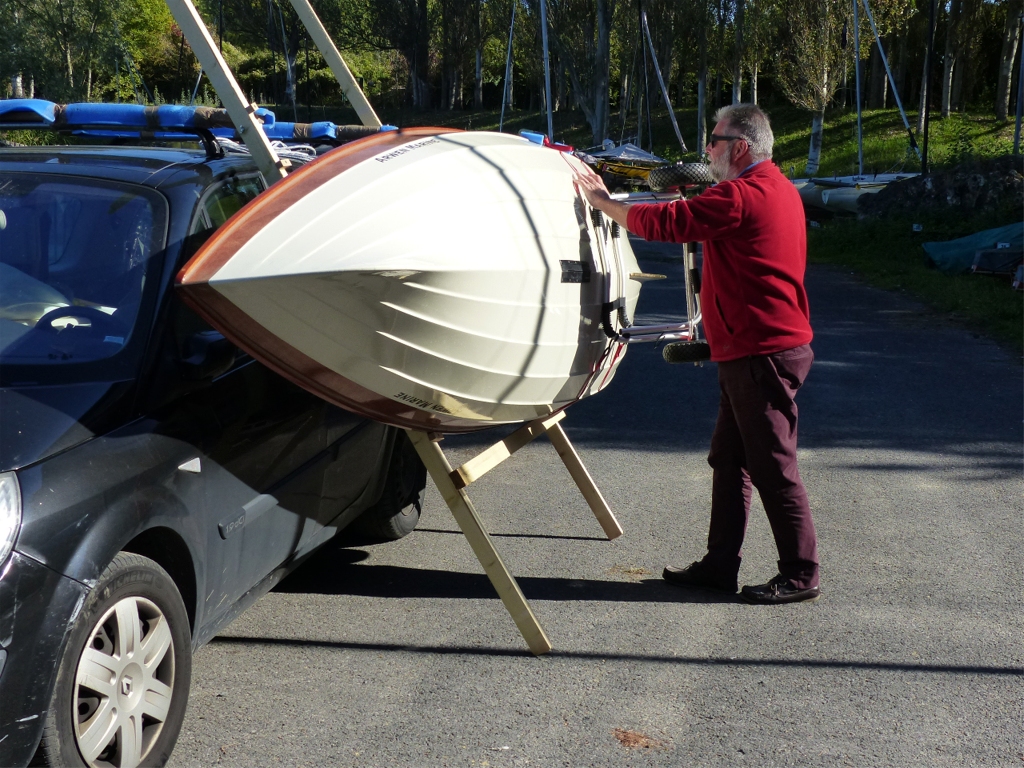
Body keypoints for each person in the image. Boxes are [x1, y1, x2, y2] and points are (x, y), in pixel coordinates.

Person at [573, 103, 820, 604]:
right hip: (755, 350)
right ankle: (719, 565)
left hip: (761, 353)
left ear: (741, 147)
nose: (707, 149)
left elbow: (669, 224)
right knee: (729, 461)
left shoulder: (741, 194)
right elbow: (702, 213)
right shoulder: (776, 187)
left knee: (772, 465)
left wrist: (601, 201)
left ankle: (801, 573)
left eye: (714, 139)